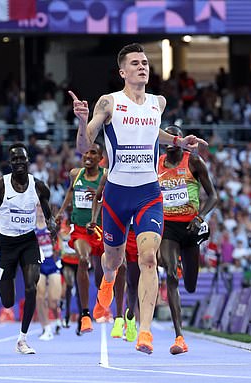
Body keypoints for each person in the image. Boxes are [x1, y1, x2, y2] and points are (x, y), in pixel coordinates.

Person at [69, 42, 207, 354]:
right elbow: (83, 146)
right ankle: (106, 279)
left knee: (147, 259)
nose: (142, 66)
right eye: (135, 63)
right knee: (114, 261)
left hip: (148, 193)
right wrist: (81, 119)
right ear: (122, 71)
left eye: (145, 62)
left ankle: (144, 332)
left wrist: (179, 141)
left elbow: (153, 131)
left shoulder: (158, 102)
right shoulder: (109, 103)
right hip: (117, 194)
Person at [0, 142, 57, 354]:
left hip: (29, 241)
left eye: (23, 158)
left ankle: (22, 339)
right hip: (7, 245)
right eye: (15, 159)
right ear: (10, 163)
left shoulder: (39, 186)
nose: (19, 162)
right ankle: (5, 278)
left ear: (28, 160)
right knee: (8, 301)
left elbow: (48, 211)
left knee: (32, 287)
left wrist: (52, 224)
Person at [157, 124, 218, 354]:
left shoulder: (193, 162)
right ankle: (179, 337)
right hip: (168, 226)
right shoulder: (157, 163)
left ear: (182, 139)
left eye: (176, 135)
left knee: (190, 286)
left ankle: (182, 265)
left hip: (191, 228)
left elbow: (213, 196)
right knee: (171, 275)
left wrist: (200, 217)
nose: (172, 138)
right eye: (168, 135)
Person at [55, 143, 106, 334]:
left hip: (101, 230)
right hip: (81, 231)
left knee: (102, 276)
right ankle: (85, 315)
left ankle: (103, 299)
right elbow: (70, 191)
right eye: (86, 152)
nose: (88, 155)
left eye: (93, 152)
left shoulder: (106, 175)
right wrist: (61, 212)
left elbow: (113, 198)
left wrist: (101, 196)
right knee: (83, 261)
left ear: (100, 157)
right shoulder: (75, 174)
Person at [90, 172, 139, 342]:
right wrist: (93, 220)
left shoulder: (146, 173)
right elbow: (97, 198)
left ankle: (130, 318)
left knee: (134, 282)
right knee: (120, 266)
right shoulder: (109, 174)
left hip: (137, 231)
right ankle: (118, 318)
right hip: (117, 226)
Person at [35, 206, 62, 341]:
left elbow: (60, 242)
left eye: (41, 206)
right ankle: (46, 328)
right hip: (38, 264)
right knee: (39, 297)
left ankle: (57, 320)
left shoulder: (51, 224)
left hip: (51, 264)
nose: (39, 209)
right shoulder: (30, 225)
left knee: (53, 301)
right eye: (37, 207)